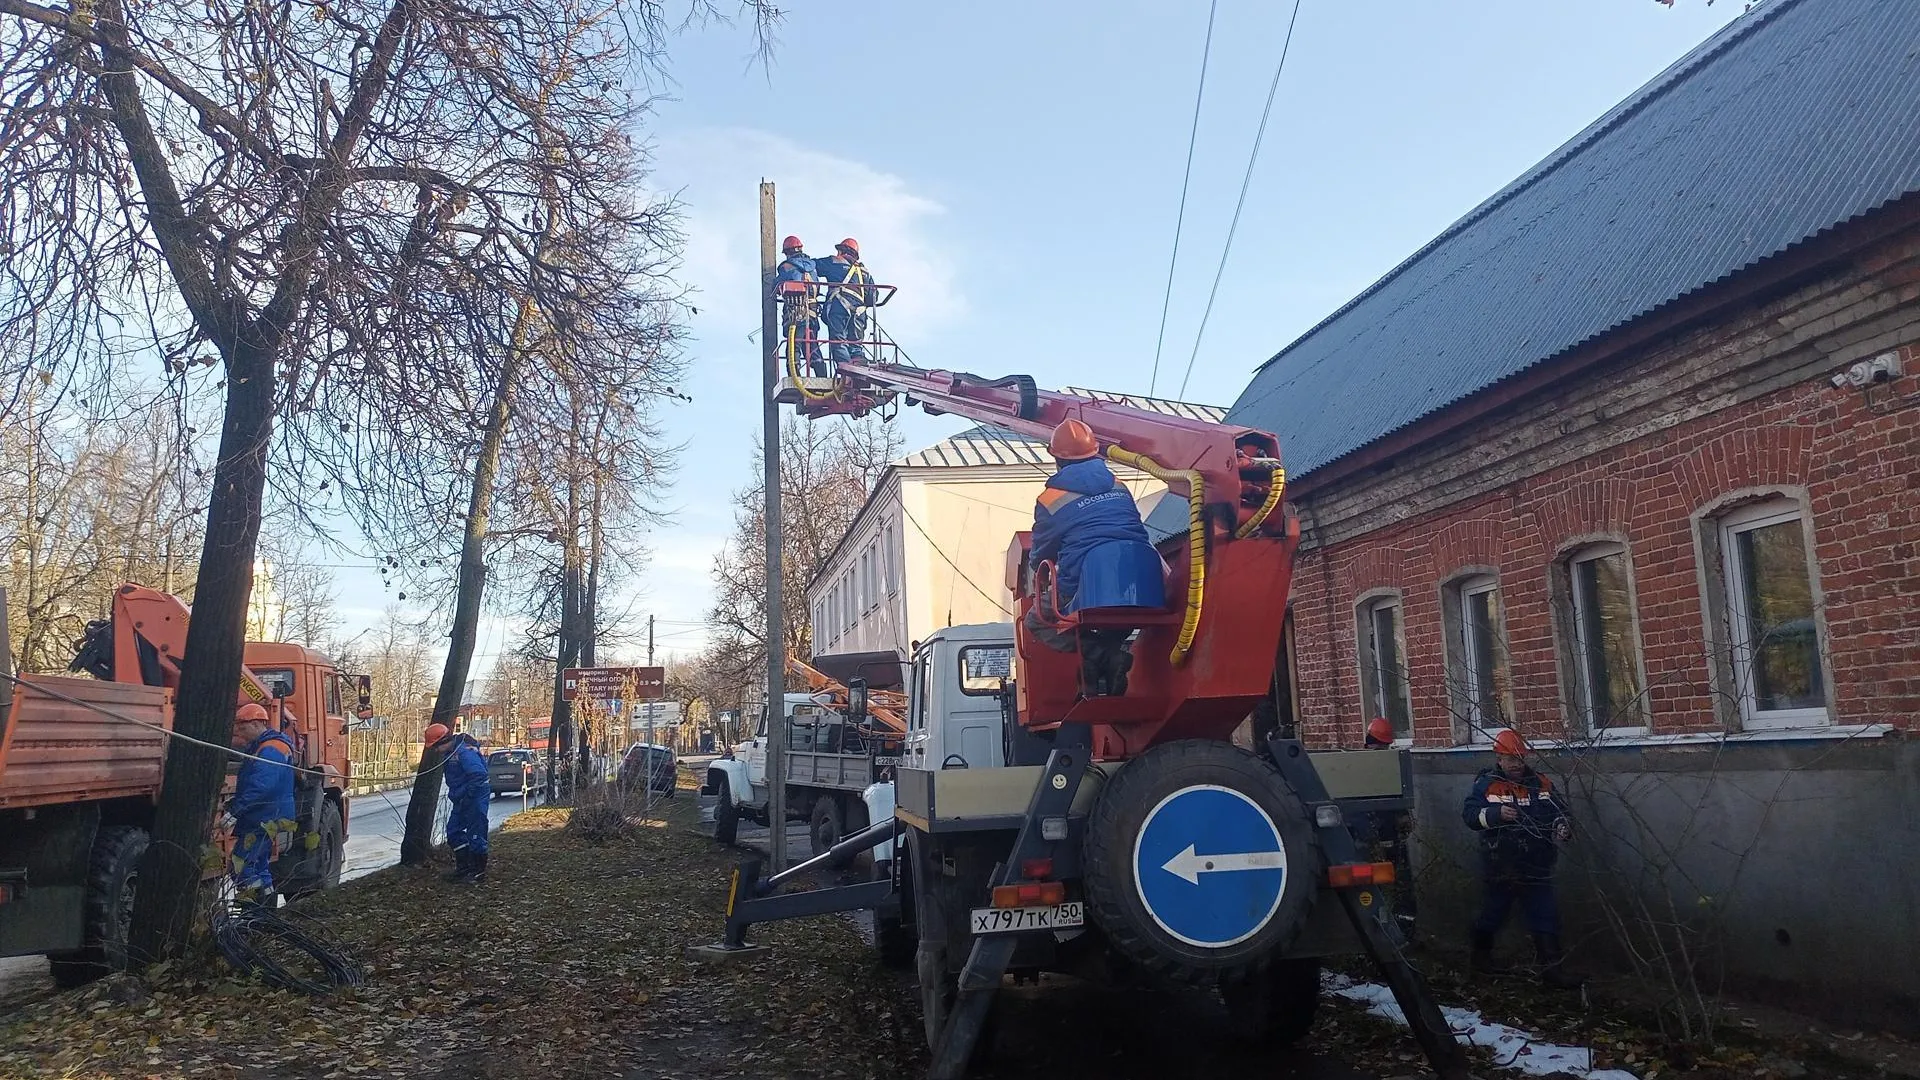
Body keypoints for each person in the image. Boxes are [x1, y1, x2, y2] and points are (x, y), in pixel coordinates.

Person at [1026, 418, 1161, 696]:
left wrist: (1036, 569)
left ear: (1056, 458)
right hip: (1141, 580)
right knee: (1117, 615)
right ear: (1095, 452)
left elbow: (1042, 552)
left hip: (1085, 583)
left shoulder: (1050, 499)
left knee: (1036, 620)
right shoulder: (1120, 486)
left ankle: (1098, 656)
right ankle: (1108, 659)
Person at [1462, 728, 1579, 988]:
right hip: (1500, 865)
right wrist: (1495, 814)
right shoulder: (1486, 784)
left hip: (1537, 864)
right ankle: (1479, 961)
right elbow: (1470, 815)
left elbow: (1560, 811)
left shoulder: (1542, 783)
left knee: (1545, 914)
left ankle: (1552, 971)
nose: (1515, 764)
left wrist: (1563, 826)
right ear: (1499, 759)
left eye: (1519, 758)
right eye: (1509, 759)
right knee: (1493, 913)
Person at [228, 702, 295, 907]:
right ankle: (266, 911)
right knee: (259, 865)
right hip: (268, 815)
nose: (239, 732)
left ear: (257, 724)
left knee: (242, 865)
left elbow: (262, 785)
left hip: (263, 816)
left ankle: (254, 912)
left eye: (243, 727)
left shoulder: (271, 748)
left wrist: (236, 810)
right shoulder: (266, 746)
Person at [1357, 717, 1418, 941]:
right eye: (1378, 747)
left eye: (1383, 747)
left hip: (1392, 841)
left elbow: (1400, 807)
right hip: (1372, 842)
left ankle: (1404, 935)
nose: (1380, 752)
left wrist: (1403, 819)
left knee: (1402, 889)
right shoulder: (1359, 770)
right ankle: (1379, 936)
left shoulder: (1392, 767)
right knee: (1376, 891)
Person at [427, 723, 491, 884]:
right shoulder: (451, 753)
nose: (435, 751)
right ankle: (464, 868)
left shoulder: (464, 752)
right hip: (462, 798)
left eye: (435, 747)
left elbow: (479, 776)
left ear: (442, 742)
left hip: (474, 798)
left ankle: (478, 872)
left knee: (476, 834)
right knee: (454, 831)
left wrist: (468, 796)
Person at [817, 238, 875, 364]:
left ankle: (846, 372)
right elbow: (872, 297)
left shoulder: (834, 262)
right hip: (860, 313)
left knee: (839, 342)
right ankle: (858, 366)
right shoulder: (865, 272)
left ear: (841, 251)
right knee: (855, 346)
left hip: (839, 307)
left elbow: (812, 267)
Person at [772, 235, 823, 375]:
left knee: (794, 346)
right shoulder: (812, 267)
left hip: (796, 313)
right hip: (812, 314)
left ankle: (795, 376)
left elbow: (775, 286)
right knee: (812, 344)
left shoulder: (786, 267)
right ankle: (821, 373)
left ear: (788, 252)